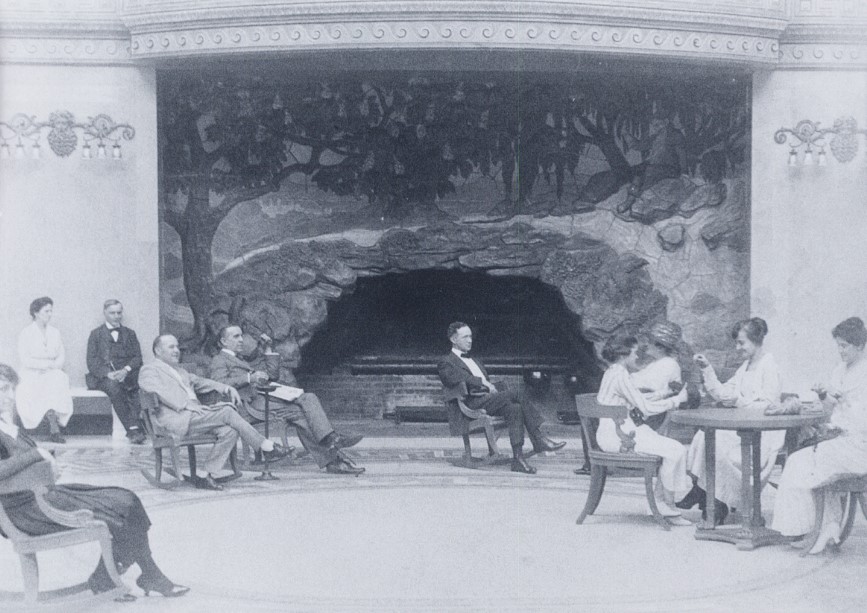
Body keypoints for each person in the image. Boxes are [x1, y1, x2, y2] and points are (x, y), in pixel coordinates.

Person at [0, 363, 188, 601]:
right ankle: (132, 577)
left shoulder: (6, 423)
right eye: (2, 389)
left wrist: (45, 467)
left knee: (127, 500)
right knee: (121, 510)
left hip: (42, 496)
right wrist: (38, 455)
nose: (8, 397)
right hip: (26, 511)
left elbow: (24, 465)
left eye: (10, 390)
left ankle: (120, 577)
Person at [138, 334, 291, 491]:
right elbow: (156, 390)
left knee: (230, 431)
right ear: (157, 350)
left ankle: (205, 475)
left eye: (177, 346)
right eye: (171, 347)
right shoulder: (149, 370)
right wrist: (185, 404)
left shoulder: (180, 371)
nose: (176, 350)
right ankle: (267, 447)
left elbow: (201, 382)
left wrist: (226, 387)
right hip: (173, 421)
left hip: (193, 418)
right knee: (226, 411)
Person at [209, 325, 364, 475]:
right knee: (300, 413)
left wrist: (268, 350)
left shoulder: (241, 359)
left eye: (241, 335)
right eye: (236, 336)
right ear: (223, 341)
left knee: (309, 397)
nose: (241, 339)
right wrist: (248, 377)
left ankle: (331, 441)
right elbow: (218, 383)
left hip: (262, 399)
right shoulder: (219, 360)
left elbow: (272, 376)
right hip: (247, 406)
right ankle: (332, 452)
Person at [772, 317, 867, 554]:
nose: (840, 351)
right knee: (797, 461)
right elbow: (828, 413)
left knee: (809, 463)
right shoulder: (839, 370)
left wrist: (846, 403)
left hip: (860, 445)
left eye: (845, 346)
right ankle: (816, 527)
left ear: (860, 345)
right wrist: (825, 396)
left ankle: (825, 527)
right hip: (840, 441)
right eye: (838, 345)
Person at [679, 318, 784, 524]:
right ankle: (704, 492)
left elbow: (769, 407)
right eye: (736, 343)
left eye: (741, 343)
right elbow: (724, 393)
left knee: (717, 443)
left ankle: (715, 501)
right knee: (704, 436)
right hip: (741, 427)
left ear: (756, 340)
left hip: (762, 432)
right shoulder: (745, 367)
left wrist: (739, 401)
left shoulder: (769, 366)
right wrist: (707, 369)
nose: (737, 348)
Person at [437, 322, 566, 475]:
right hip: (471, 404)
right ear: (453, 339)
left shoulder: (475, 360)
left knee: (515, 408)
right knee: (517, 393)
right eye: (465, 337)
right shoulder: (446, 362)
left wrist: (488, 386)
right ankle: (538, 438)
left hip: (487, 400)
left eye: (471, 336)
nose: (470, 340)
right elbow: (451, 379)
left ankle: (518, 459)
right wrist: (482, 382)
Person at [595, 334, 692, 525]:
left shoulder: (613, 372)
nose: (636, 357)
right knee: (676, 449)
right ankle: (666, 506)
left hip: (616, 431)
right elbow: (645, 408)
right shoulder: (620, 375)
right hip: (619, 437)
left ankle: (661, 503)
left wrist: (664, 394)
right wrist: (677, 400)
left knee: (672, 449)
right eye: (634, 352)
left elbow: (638, 400)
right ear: (625, 353)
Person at [86, 300, 146, 444]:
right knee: (115, 388)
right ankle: (132, 430)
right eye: (112, 313)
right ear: (105, 313)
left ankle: (140, 426)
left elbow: (137, 358)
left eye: (119, 313)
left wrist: (126, 370)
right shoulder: (96, 334)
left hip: (127, 375)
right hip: (104, 378)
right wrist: (108, 374)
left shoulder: (130, 334)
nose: (116, 316)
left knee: (137, 388)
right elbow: (91, 361)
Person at [16, 297, 74, 444]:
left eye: (51, 311)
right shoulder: (26, 333)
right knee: (39, 384)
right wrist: (43, 366)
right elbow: (25, 359)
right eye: (46, 311)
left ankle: (55, 427)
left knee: (58, 379)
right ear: (36, 313)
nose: (49, 314)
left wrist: (53, 367)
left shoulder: (55, 332)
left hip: (52, 371)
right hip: (31, 372)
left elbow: (61, 355)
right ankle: (49, 427)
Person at [618, 109, 689, 215]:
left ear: (665, 122)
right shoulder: (656, 136)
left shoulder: (676, 135)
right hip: (655, 165)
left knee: (648, 172)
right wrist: (626, 135)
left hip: (670, 168)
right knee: (637, 171)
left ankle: (637, 204)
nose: (656, 127)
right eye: (654, 125)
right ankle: (630, 200)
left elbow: (682, 155)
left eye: (658, 124)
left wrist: (684, 173)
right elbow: (640, 145)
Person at [631, 321, 684, 432]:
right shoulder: (655, 363)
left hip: (653, 416)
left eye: (650, 341)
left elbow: (651, 390)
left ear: (660, 347)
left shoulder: (668, 364)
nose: (646, 344)